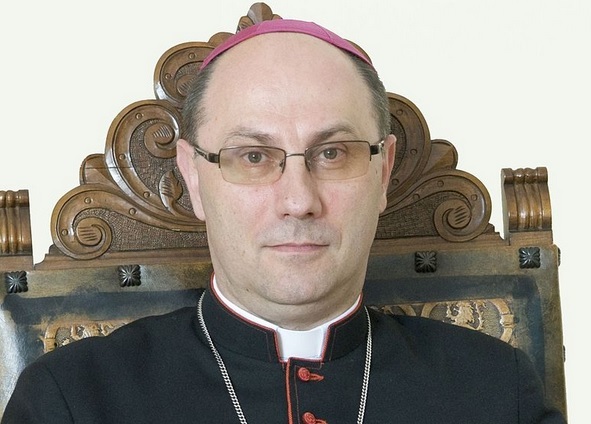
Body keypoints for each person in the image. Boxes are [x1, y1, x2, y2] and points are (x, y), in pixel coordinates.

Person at [1, 18, 565, 424]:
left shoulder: (498, 392)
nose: (299, 201)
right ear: (193, 177)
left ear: (384, 171)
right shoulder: (69, 400)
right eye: (253, 156)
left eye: (333, 153)